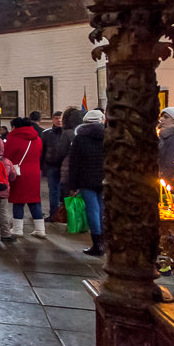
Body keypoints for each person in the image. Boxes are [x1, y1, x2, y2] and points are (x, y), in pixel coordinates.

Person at [67, 109, 106, 256]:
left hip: (86, 179)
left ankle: (97, 243)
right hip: (103, 178)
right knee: (101, 210)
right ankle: (103, 241)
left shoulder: (80, 138)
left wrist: (72, 185)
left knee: (92, 210)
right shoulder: (108, 136)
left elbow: (74, 163)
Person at [5, 116, 46, 238]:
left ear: (14, 127)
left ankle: (18, 228)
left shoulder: (13, 138)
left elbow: (7, 155)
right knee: (34, 200)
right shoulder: (37, 138)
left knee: (18, 200)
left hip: (19, 172)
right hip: (34, 172)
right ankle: (40, 229)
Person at [40, 111, 70, 218]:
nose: (59, 120)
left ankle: (65, 215)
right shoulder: (46, 133)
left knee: (66, 192)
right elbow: (42, 150)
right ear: (52, 119)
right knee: (53, 191)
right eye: (57, 118)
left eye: (61, 118)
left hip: (65, 167)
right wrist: (42, 166)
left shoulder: (67, 133)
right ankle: (53, 214)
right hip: (52, 166)